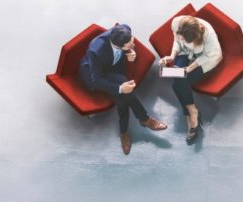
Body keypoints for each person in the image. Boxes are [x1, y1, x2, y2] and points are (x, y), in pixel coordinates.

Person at [79, 24, 167, 155]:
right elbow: (96, 80)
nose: (134, 45)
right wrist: (120, 89)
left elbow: (129, 46)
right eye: (130, 45)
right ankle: (142, 120)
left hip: (115, 68)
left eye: (132, 41)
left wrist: (130, 52)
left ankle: (125, 132)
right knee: (124, 94)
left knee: (124, 98)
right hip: (97, 74)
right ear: (118, 45)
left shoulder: (125, 29)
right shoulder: (96, 51)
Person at [159, 16, 222, 144]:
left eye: (184, 38)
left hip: (206, 58)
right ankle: (193, 111)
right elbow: (177, 41)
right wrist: (172, 57)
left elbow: (207, 56)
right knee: (178, 79)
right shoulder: (176, 23)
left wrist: (190, 68)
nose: (181, 39)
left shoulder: (208, 36)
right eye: (180, 36)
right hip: (186, 52)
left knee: (178, 84)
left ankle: (189, 113)